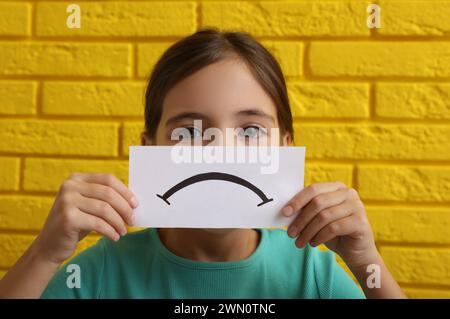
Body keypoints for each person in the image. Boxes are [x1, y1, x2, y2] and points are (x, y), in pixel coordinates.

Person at [0, 28, 406, 299]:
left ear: (285, 146)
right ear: (150, 148)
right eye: (188, 132)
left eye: (250, 131)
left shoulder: (313, 275)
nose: (220, 152)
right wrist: (44, 256)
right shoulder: (98, 273)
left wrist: (367, 261)